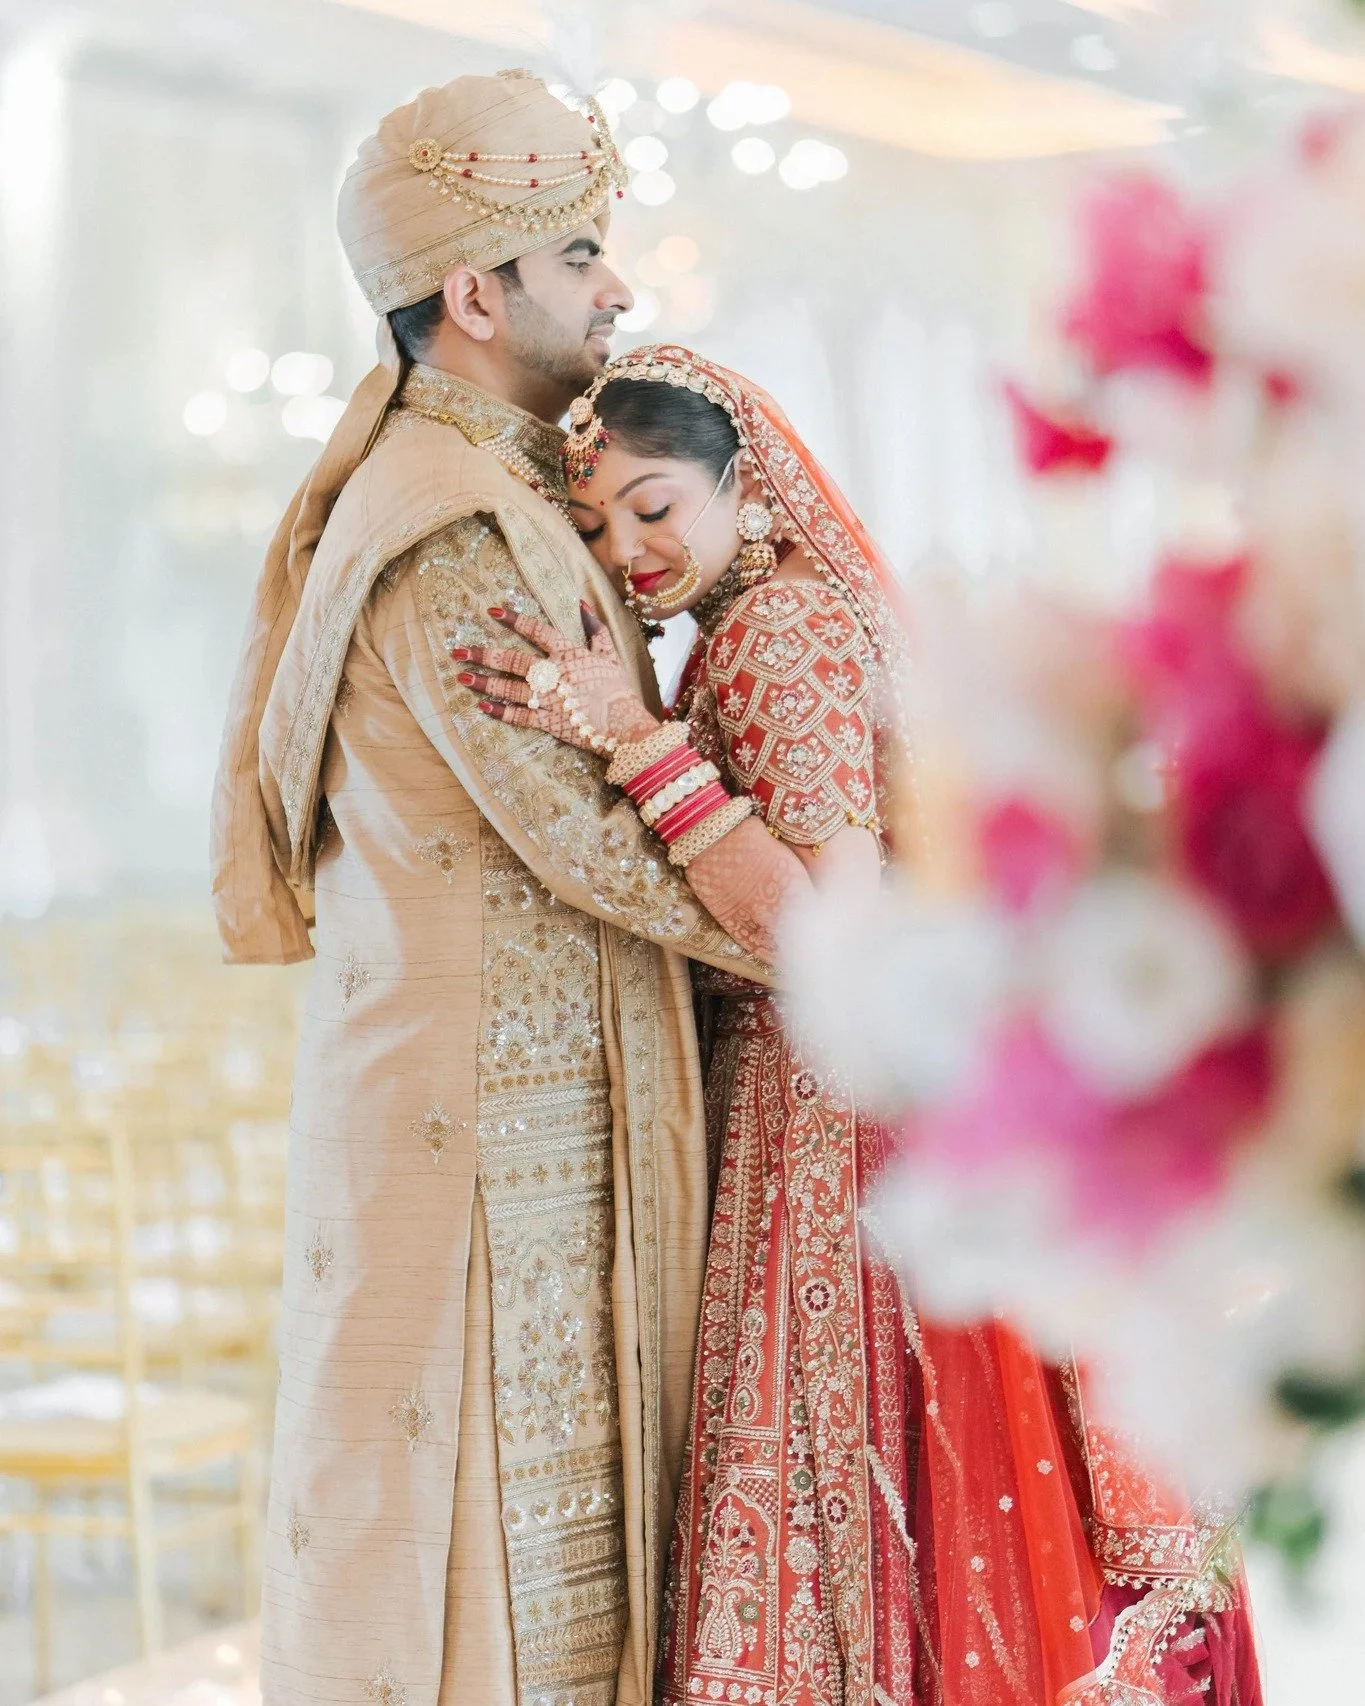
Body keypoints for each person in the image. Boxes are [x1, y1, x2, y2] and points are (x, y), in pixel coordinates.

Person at [461, 345, 1265, 1706]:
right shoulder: (762, 619)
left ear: (744, 483)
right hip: (845, 1096)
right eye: (600, 526)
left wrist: (632, 743)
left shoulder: (780, 633)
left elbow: (823, 922)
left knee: (867, 1511)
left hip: (833, 1116)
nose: (631, 548)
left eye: (657, 504)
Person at [210, 80, 772, 1706]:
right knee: (481, 1616)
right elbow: (604, 842)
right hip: (477, 1160)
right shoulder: (450, 529)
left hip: (528, 1132)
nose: (618, 291)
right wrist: (833, 916)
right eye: (581, 251)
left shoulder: (510, 486)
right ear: (476, 292)